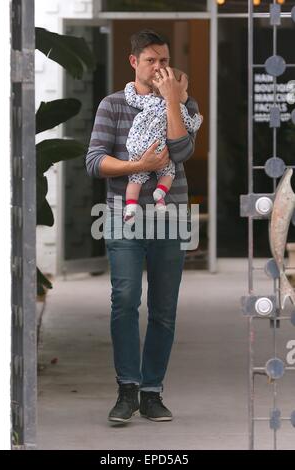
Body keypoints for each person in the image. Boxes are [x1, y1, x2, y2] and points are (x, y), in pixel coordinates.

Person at [86, 29, 202, 423]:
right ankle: (127, 390)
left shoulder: (183, 104)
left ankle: (152, 392)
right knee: (125, 301)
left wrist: (173, 102)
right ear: (133, 62)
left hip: (171, 216)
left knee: (164, 310)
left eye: (164, 61)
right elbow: (95, 161)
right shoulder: (113, 106)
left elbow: (183, 150)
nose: (159, 68)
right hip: (124, 215)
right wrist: (139, 167)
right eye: (151, 60)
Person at [123, 70, 202, 223]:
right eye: (184, 90)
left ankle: (131, 207)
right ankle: (159, 196)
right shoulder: (179, 108)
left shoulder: (148, 100)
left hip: (136, 145)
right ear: (172, 90)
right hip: (158, 148)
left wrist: (130, 86)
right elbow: (191, 125)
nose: (186, 94)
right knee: (168, 172)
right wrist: (198, 120)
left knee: (135, 180)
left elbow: (131, 98)